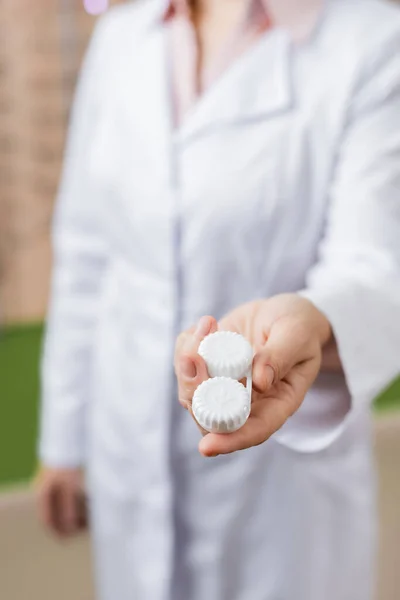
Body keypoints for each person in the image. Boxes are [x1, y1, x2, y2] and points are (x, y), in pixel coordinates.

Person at [37, 0, 400, 599]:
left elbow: (375, 263)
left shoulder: (374, 40)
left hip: (283, 490)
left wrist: (312, 319)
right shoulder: (122, 37)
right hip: (126, 435)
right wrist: (63, 438)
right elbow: (86, 254)